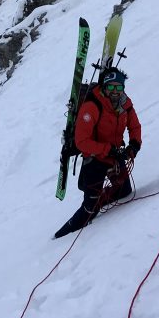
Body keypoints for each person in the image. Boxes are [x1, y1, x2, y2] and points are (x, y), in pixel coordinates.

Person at [53, 67, 142, 239]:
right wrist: (107, 150)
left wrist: (134, 145)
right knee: (88, 210)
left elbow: (134, 126)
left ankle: (98, 201)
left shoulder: (125, 103)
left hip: (115, 156)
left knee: (124, 191)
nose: (115, 91)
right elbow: (82, 141)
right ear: (104, 87)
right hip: (95, 158)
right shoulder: (91, 107)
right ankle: (59, 237)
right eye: (111, 87)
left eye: (119, 87)